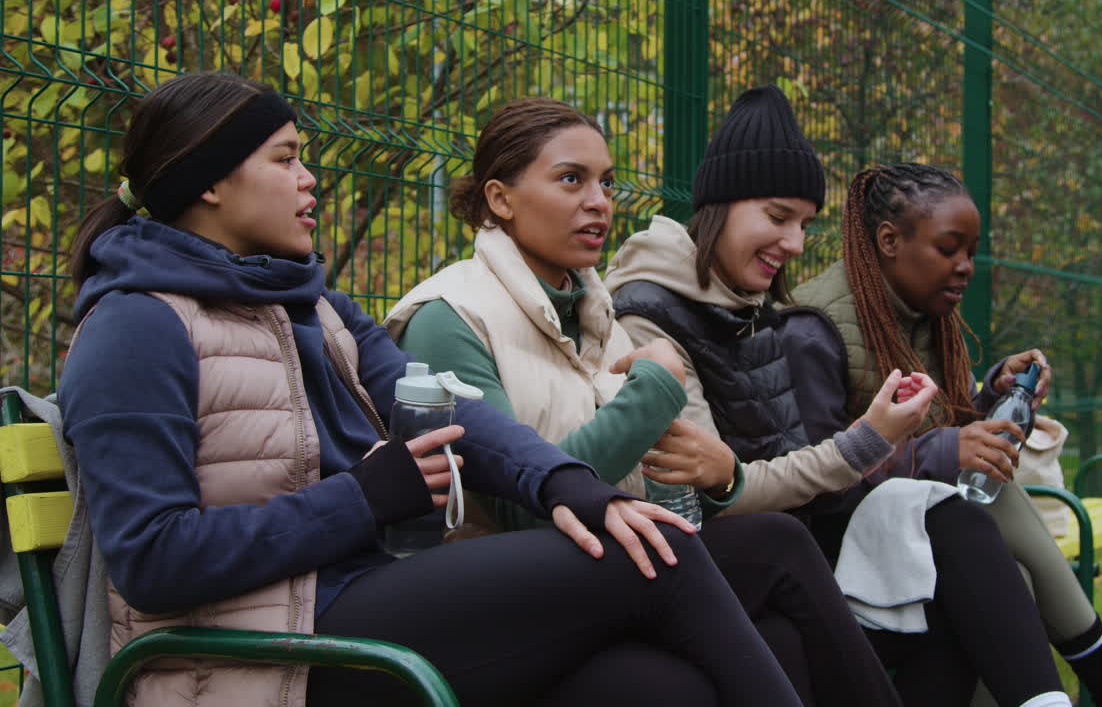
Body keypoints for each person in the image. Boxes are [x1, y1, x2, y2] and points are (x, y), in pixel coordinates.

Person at [57, 72, 813, 707]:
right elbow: (152, 561)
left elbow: (451, 411)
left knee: (651, 686)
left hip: (359, 599)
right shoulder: (136, 327)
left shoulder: (309, 304)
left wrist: (564, 483)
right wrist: (359, 499)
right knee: (650, 553)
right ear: (211, 182)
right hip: (256, 654)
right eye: (285, 158)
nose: (309, 177)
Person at [383, 95, 919, 707]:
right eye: (570, 179)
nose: (598, 201)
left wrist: (716, 479)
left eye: (606, 183)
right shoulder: (450, 318)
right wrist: (656, 391)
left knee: (778, 625)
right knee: (759, 575)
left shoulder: (593, 310)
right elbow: (518, 509)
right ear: (501, 199)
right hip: (507, 602)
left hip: (613, 563)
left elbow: (670, 474)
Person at [604, 85, 1074, 707]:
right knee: (943, 562)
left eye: (804, 223)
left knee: (954, 564)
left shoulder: (754, 308)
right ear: (719, 206)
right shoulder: (655, 318)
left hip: (804, 549)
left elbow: (766, 472)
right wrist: (873, 437)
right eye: (778, 218)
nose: (795, 243)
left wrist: (932, 418)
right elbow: (717, 491)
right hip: (745, 564)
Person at [783, 161, 1102, 707]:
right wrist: (946, 449)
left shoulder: (916, 314)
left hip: (915, 536)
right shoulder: (813, 327)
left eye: (972, 252)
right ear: (889, 240)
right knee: (995, 511)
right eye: (949, 249)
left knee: (1015, 579)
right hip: (841, 557)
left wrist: (992, 398)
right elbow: (815, 478)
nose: (966, 267)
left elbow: (938, 432)